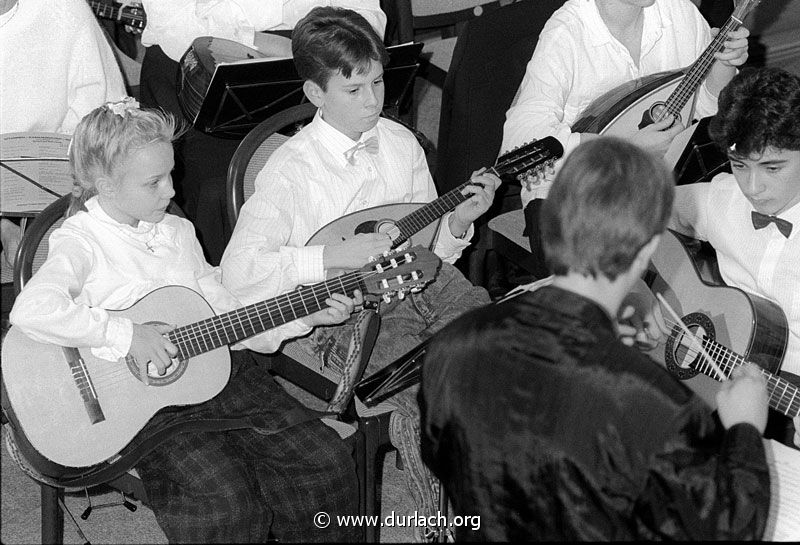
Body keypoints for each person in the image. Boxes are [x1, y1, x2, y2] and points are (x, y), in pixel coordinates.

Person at [9, 99, 364, 542]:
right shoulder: (81, 240)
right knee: (225, 502)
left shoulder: (176, 232)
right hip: (142, 408)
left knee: (322, 462)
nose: (171, 191)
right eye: (153, 182)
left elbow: (226, 315)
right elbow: (32, 308)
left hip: (221, 375)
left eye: (170, 175)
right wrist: (125, 335)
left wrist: (300, 314)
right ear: (106, 185)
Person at [220, 6, 499, 539]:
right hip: (347, 312)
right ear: (315, 94)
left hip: (424, 282)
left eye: (377, 82)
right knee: (440, 401)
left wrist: (457, 223)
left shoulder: (401, 142)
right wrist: (330, 257)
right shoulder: (290, 172)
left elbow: (429, 249)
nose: (374, 100)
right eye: (354, 91)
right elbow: (240, 271)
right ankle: (456, 522)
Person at [419, 137, 772, 541]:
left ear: (549, 225)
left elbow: (442, 456)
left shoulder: (452, 343)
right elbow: (729, 527)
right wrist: (745, 426)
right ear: (646, 250)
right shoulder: (654, 401)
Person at [500, 0, 748, 277]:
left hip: (661, 177)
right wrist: (626, 148)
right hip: (576, 192)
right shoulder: (568, 31)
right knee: (590, 301)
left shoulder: (679, 12)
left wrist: (723, 65)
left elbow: (700, 110)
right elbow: (519, 148)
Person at [137, 0, 387, 265]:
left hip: (324, 53)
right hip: (203, 62)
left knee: (351, 160)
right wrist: (265, 41)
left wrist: (306, 47)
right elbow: (173, 26)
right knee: (222, 186)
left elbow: (368, 19)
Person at [671, 66, 800, 447]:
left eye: (772, 167)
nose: (753, 188)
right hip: (713, 376)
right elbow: (646, 209)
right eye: (740, 165)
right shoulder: (723, 198)